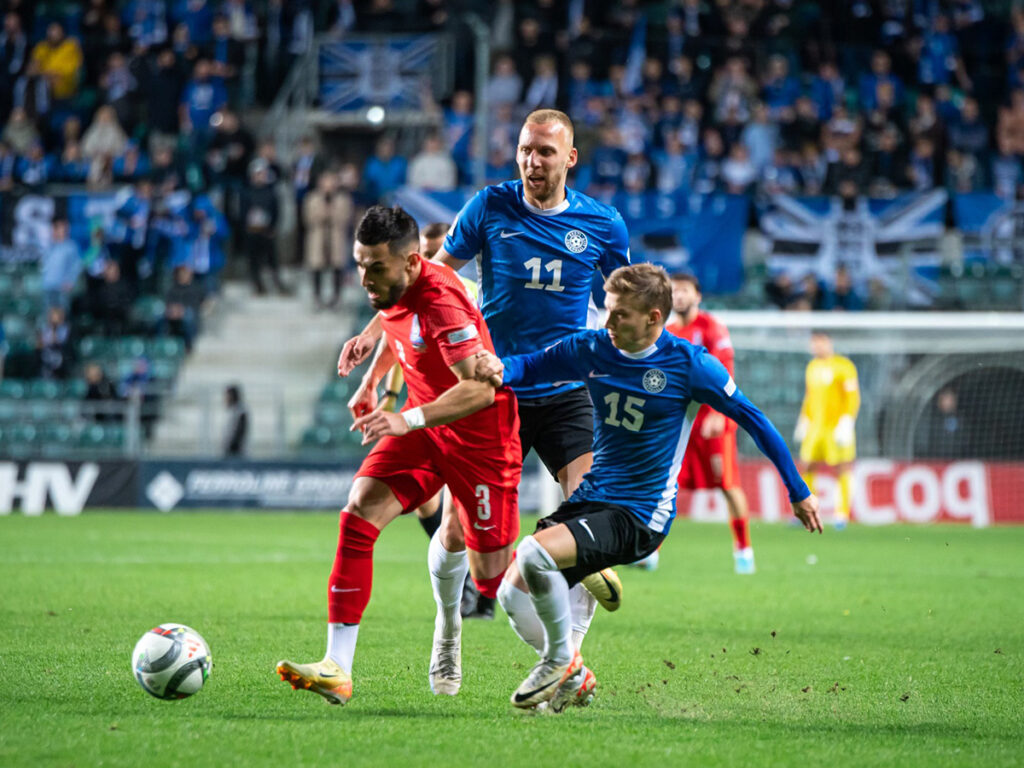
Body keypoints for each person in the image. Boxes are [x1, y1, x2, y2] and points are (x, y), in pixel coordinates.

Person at [337, 109, 632, 687]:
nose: (532, 161)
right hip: (493, 390)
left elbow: (623, 300)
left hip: (566, 390)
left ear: (570, 158)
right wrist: (374, 336)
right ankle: (448, 627)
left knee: (591, 519)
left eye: (545, 152)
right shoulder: (490, 206)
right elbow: (422, 280)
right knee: (454, 531)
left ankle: (565, 655)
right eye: (525, 149)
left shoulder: (603, 224)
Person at [469, 263, 820, 712]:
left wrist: (797, 490)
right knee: (510, 594)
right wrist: (499, 366)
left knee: (535, 554)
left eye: (621, 315)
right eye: (608, 310)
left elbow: (756, 420)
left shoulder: (691, 365)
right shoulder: (593, 347)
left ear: (654, 318)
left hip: (639, 513)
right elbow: (531, 366)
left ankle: (558, 660)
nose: (609, 322)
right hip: (592, 498)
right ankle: (573, 671)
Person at [276, 205, 522, 705]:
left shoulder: (444, 302)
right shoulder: (391, 286)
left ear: (411, 262)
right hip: (426, 425)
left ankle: (560, 611)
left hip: (479, 437)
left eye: (375, 267)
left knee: (492, 579)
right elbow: (397, 323)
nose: (365, 278)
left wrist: (404, 419)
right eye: (359, 265)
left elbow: (480, 390)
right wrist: (372, 377)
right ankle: (338, 668)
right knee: (359, 510)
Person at [636, 273, 753, 575]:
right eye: (674, 291)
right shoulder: (668, 331)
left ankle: (744, 551)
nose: (679, 296)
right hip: (679, 424)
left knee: (727, 484)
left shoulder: (712, 327)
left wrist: (719, 412)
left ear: (697, 296)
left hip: (712, 422)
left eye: (684, 290)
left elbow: (725, 368)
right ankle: (651, 552)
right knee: (666, 485)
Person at [794, 330, 859, 529]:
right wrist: (804, 420)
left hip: (836, 427)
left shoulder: (844, 366)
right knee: (807, 465)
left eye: (820, 342)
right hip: (815, 428)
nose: (817, 346)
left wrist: (847, 422)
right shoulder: (812, 367)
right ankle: (808, 510)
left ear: (829, 342)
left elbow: (853, 396)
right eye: (814, 343)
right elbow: (809, 397)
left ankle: (842, 514)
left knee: (842, 467)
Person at [223, 383, 248, 457]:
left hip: (236, 453)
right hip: (230, 451)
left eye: (228, 396)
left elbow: (239, 433)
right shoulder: (231, 411)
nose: (226, 399)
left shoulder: (240, 412)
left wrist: (232, 449)